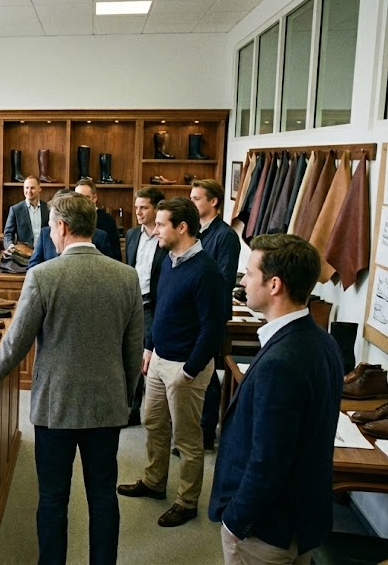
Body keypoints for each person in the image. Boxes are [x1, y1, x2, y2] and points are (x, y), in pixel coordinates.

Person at [0, 193, 143, 564]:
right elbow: (133, 352)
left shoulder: (43, 276)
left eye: (50, 227)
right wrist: (124, 397)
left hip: (55, 407)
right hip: (106, 406)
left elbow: (16, 342)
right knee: (103, 497)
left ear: (62, 226)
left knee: (52, 499)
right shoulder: (127, 277)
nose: (49, 234)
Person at [209, 234, 343, 564]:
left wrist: (236, 521)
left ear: (274, 285)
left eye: (250, 273)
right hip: (301, 520)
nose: (243, 281)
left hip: (266, 531)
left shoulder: (280, 362)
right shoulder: (322, 341)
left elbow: (269, 460)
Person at [117, 196, 225, 528]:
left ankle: (187, 501)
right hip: (159, 358)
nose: (155, 230)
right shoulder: (169, 261)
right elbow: (161, 309)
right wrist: (149, 348)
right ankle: (154, 481)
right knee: (153, 423)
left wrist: (190, 370)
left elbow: (212, 329)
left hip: (185, 367)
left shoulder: (206, 272)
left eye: (162, 224)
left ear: (182, 227)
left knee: (187, 439)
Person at [191, 178, 242, 451]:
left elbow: (224, 280)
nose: (192, 203)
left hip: (210, 316)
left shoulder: (225, 236)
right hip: (194, 314)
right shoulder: (197, 231)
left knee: (207, 373)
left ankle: (206, 433)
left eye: (196, 198)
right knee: (196, 372)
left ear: (213, 202)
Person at [124, 187, 167, 426]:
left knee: (149, 358)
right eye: (136, 207)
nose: (138, 212)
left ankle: (152, 410)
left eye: (144, 208)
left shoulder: (164, 237)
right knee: (131, 356)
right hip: (132, 303)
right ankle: (131, 410)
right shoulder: (132, 235)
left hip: (154, 305)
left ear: (156, 208)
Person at [28, 189, 112, 267]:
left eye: (52, 226)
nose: (51, 234)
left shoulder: (100, 236)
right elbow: (33, 263)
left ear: (61, 225)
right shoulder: (121, 271)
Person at [74, 178, 122, 261]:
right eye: (78, 197)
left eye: (86, 197)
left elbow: (115, 255)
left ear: (94, 198)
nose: (82, 201)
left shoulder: (107, 220)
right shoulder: (71, 218)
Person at [3, 175, 49, 249]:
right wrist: (10, 246)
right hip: (24, 252)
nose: (29, 191)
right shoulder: (15, 210)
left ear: (39, 188)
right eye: (27, 188)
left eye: (32, 188)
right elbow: (8, 234)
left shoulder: (48, 208)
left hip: (45, 251)